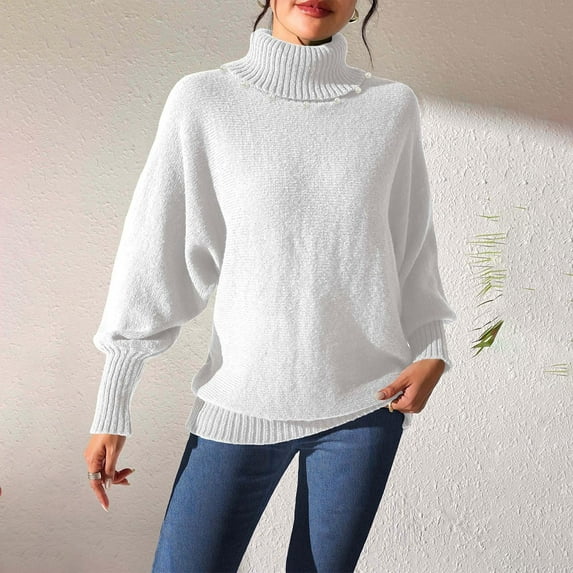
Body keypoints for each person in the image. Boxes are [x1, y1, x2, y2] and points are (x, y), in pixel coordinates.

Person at [83, 0, 458, 570]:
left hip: (367, 407)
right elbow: (154, 255)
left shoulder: (391, 107)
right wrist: (113, 405)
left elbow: (410, 246)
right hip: (241, 400)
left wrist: (432, 348)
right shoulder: (205, 100)